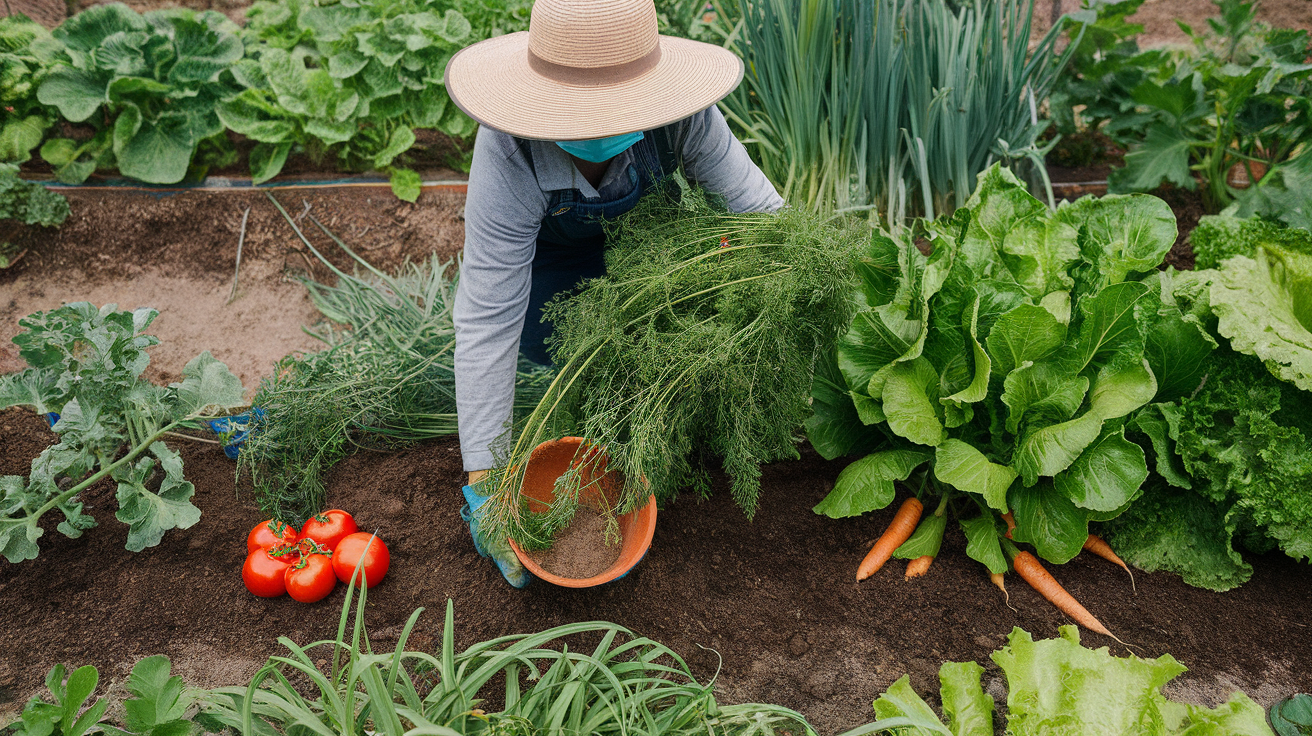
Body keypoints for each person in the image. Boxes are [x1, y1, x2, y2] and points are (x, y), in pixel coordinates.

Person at [444, 0, 784, 586]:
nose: (598, 130)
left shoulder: (685, 116)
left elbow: (762, 217)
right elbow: (486, 320)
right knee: (571, 362)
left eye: (615, 111)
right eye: (579, 118)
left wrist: (791, 276)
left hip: (650, 254)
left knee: (681, 360)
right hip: (552, 274)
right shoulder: (509, 148)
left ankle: (663, 426)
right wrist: (484, 478)